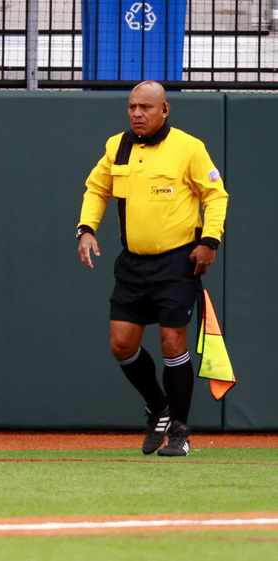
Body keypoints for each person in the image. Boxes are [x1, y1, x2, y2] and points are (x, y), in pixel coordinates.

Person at [76, 81, 229, 457]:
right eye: (132, 107)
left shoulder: (189, 148)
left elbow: (215, 194)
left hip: (177, 262)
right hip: (133, 263)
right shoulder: (118, 146)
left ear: (165, 110)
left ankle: (180, 430)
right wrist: (86, 229)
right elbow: (97, 189)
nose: (137, 114)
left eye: (145, 107)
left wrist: (210, 241)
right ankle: (159, 407)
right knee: (121, 344)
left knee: (172, 343)